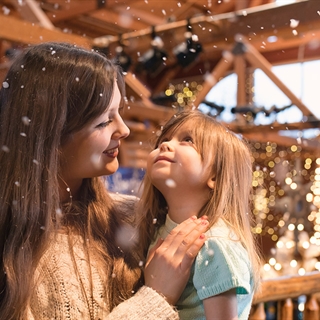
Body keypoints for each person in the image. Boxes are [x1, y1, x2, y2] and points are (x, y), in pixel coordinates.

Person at [0, 42, 209, 319]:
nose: (123, 130)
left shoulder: (134, 217)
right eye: (103, 121)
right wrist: (156, 297)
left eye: (119, 113)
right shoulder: (12, 247)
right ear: (51, 135)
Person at [137, 110, 261, 320]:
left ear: (214, 176)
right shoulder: (155, 229)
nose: (164, 146)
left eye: (187, 140)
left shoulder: (215, 244)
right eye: (163, 140)